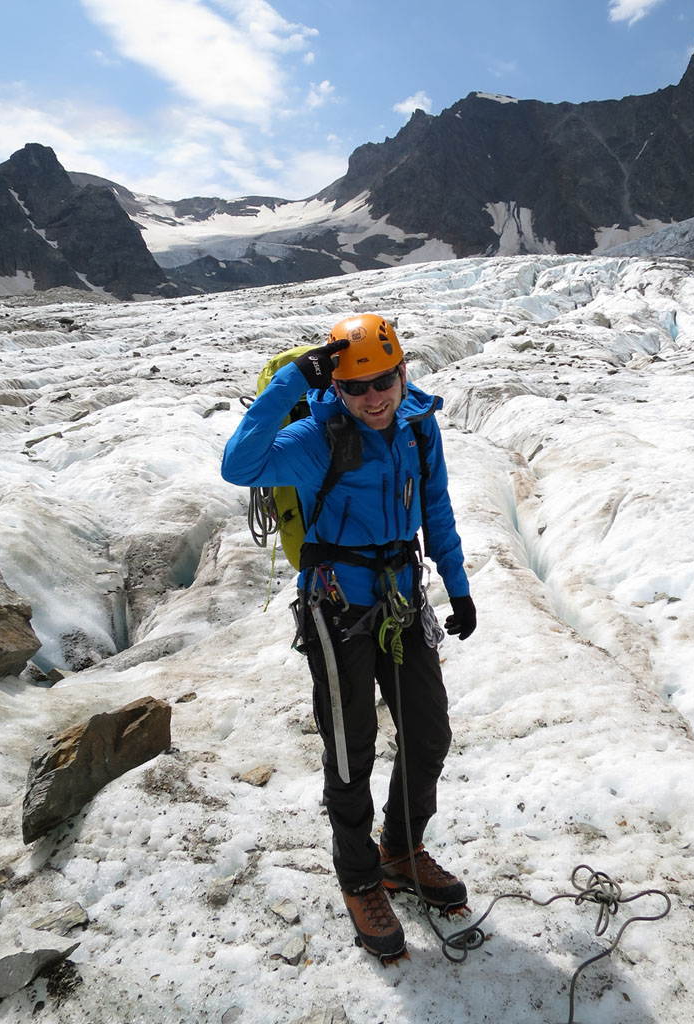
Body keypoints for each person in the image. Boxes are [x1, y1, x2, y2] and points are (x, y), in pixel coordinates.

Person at [221, 313, 476, 961]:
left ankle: (400, 850)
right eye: (356, 386)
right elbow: (239, 465)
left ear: (402, 371)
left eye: (384, 380)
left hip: (400, 596)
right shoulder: (314, 437)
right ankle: (360, 876)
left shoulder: (418, 424)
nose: (373, 397)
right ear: (335, 387)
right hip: (336, 608)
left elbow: (437, 506)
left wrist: (459, 584)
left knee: (428, 733)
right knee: (348, 749)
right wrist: (286, 384)